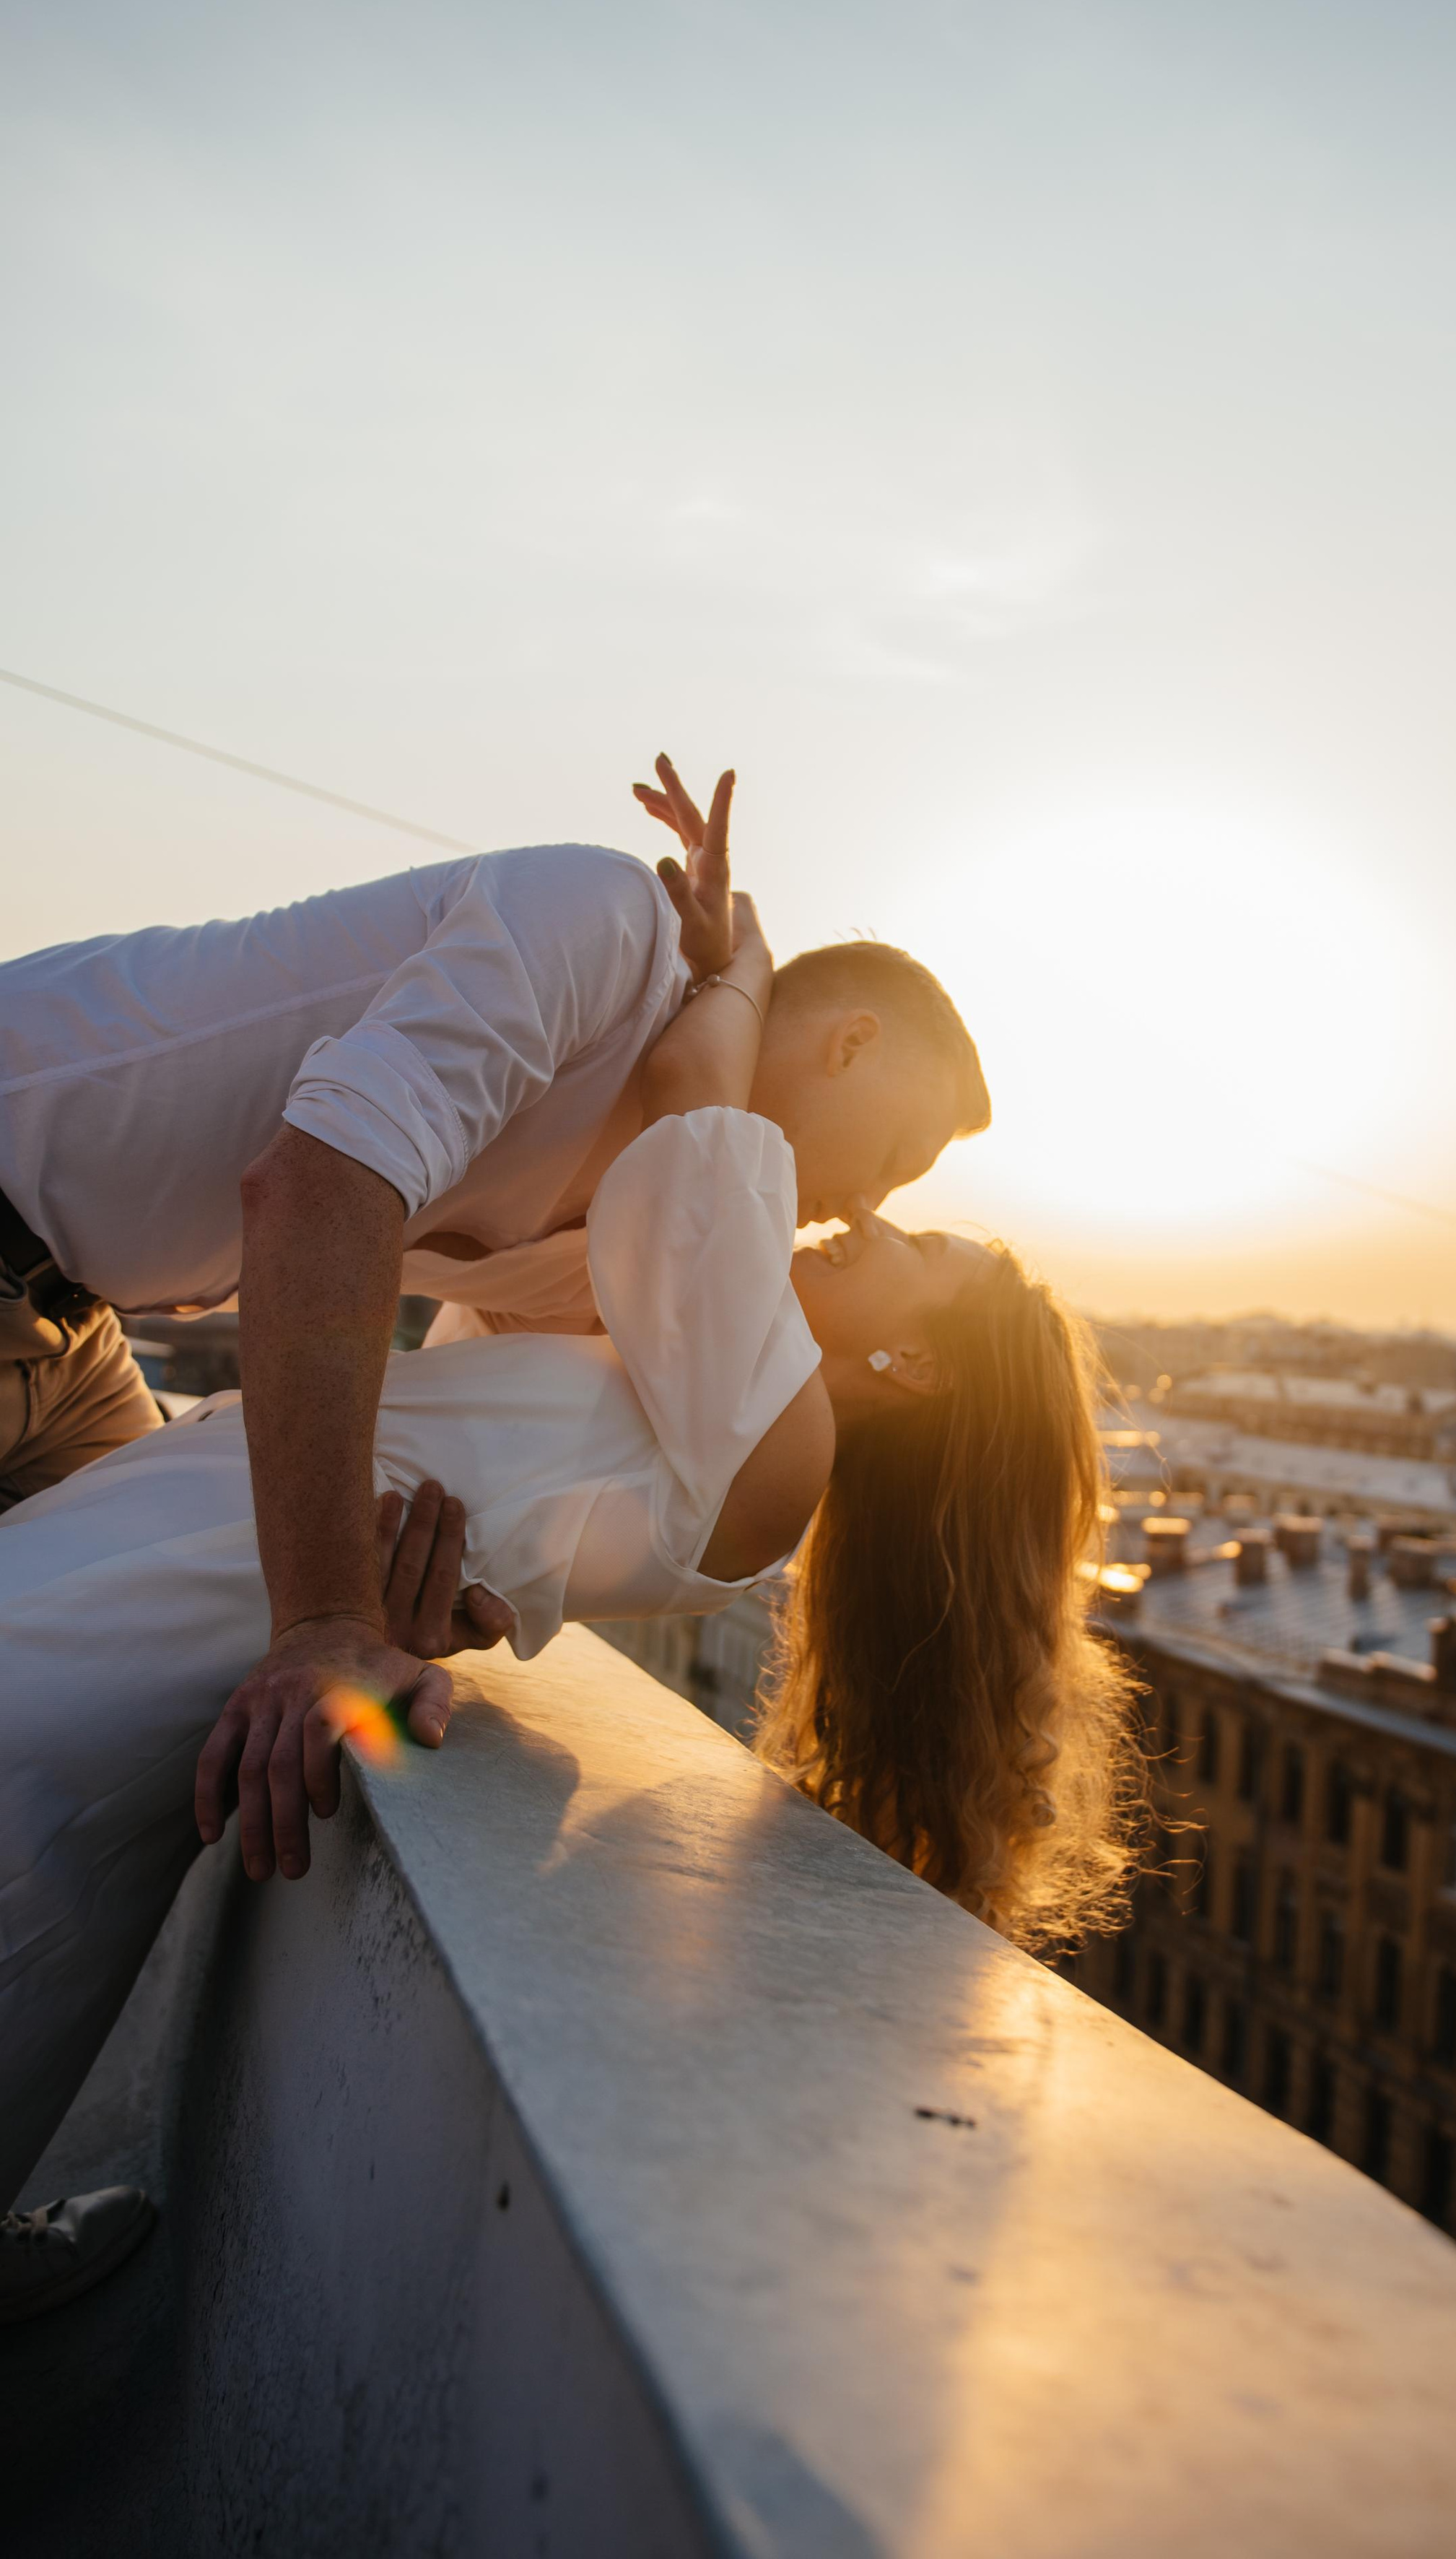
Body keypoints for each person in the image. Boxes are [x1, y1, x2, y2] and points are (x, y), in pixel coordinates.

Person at [0, 899, 1142, 2319]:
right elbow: (492, 1353)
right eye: (898, 1183)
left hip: (185, 1592)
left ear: (913, 1365)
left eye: (912, 1238)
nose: (867, 1217)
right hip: (201, 1564)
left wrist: (743, 972)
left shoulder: (778, 1449)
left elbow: (683, 1111)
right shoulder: (691, 1360)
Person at [0, 760, 989, 1894]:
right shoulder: (605, 930)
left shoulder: (632, 1223)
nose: (867, 1204)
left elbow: (449, 1436)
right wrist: (324, 1614)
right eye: (898, 1159)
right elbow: (319, 1185)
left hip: (71, 1342)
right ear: (852, 1043)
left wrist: (412, 1590)